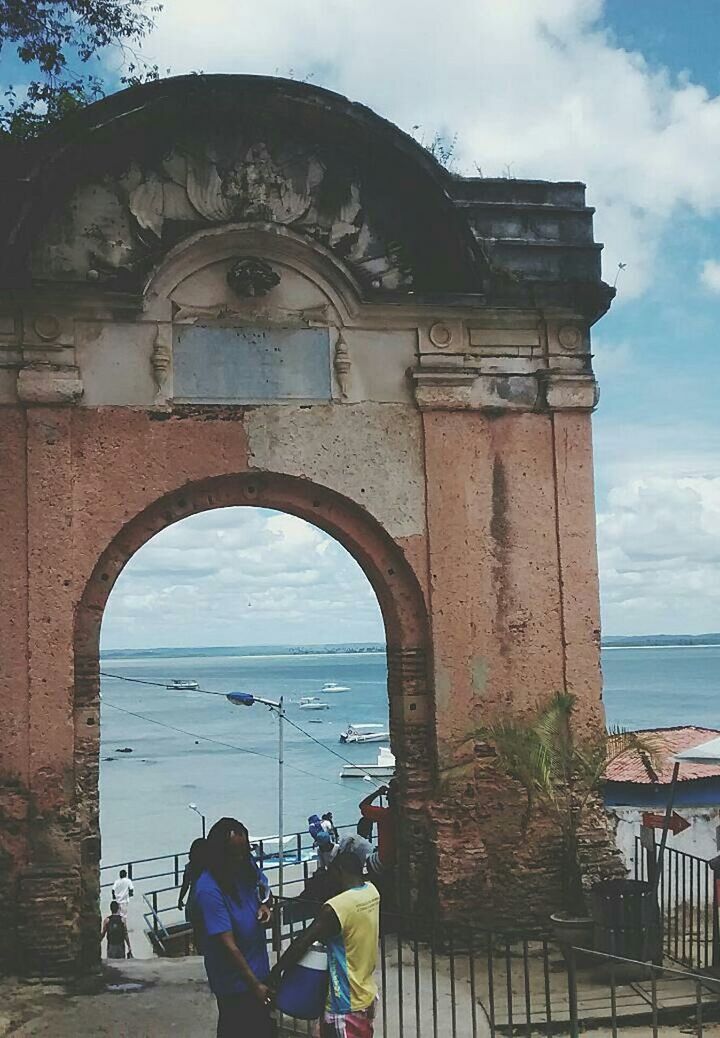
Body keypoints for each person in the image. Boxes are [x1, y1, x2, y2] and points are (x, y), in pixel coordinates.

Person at [269, 837, 380, 1037]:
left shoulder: (336, 907)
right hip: (367, 993)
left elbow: (302, 942)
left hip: (345, 1002)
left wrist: (276, 972)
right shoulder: (372, 892)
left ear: (339, 872)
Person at [194, 817, 274, 1038]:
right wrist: (255, 985)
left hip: (258, 970)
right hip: (235, 984)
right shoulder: (209, 888)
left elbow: (264, 889)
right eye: (234, 853)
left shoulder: (247, 868)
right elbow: (229, 946)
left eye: (244, 852)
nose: (240, 858)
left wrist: (265, 905)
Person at [359, 781, 397, 874]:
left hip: (386, 860)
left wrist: (378, 792)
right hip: (398, 856)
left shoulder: (384, 815)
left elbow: (363, 806)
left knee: (370, 861)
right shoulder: (403, 815)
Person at [178, 837, 207, 949]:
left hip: (193, 901)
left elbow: (185, 884)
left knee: (196, 931)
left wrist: (180, 899)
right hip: (205, 900)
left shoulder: (189, 867)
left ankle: (198, 949)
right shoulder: (209, 867)